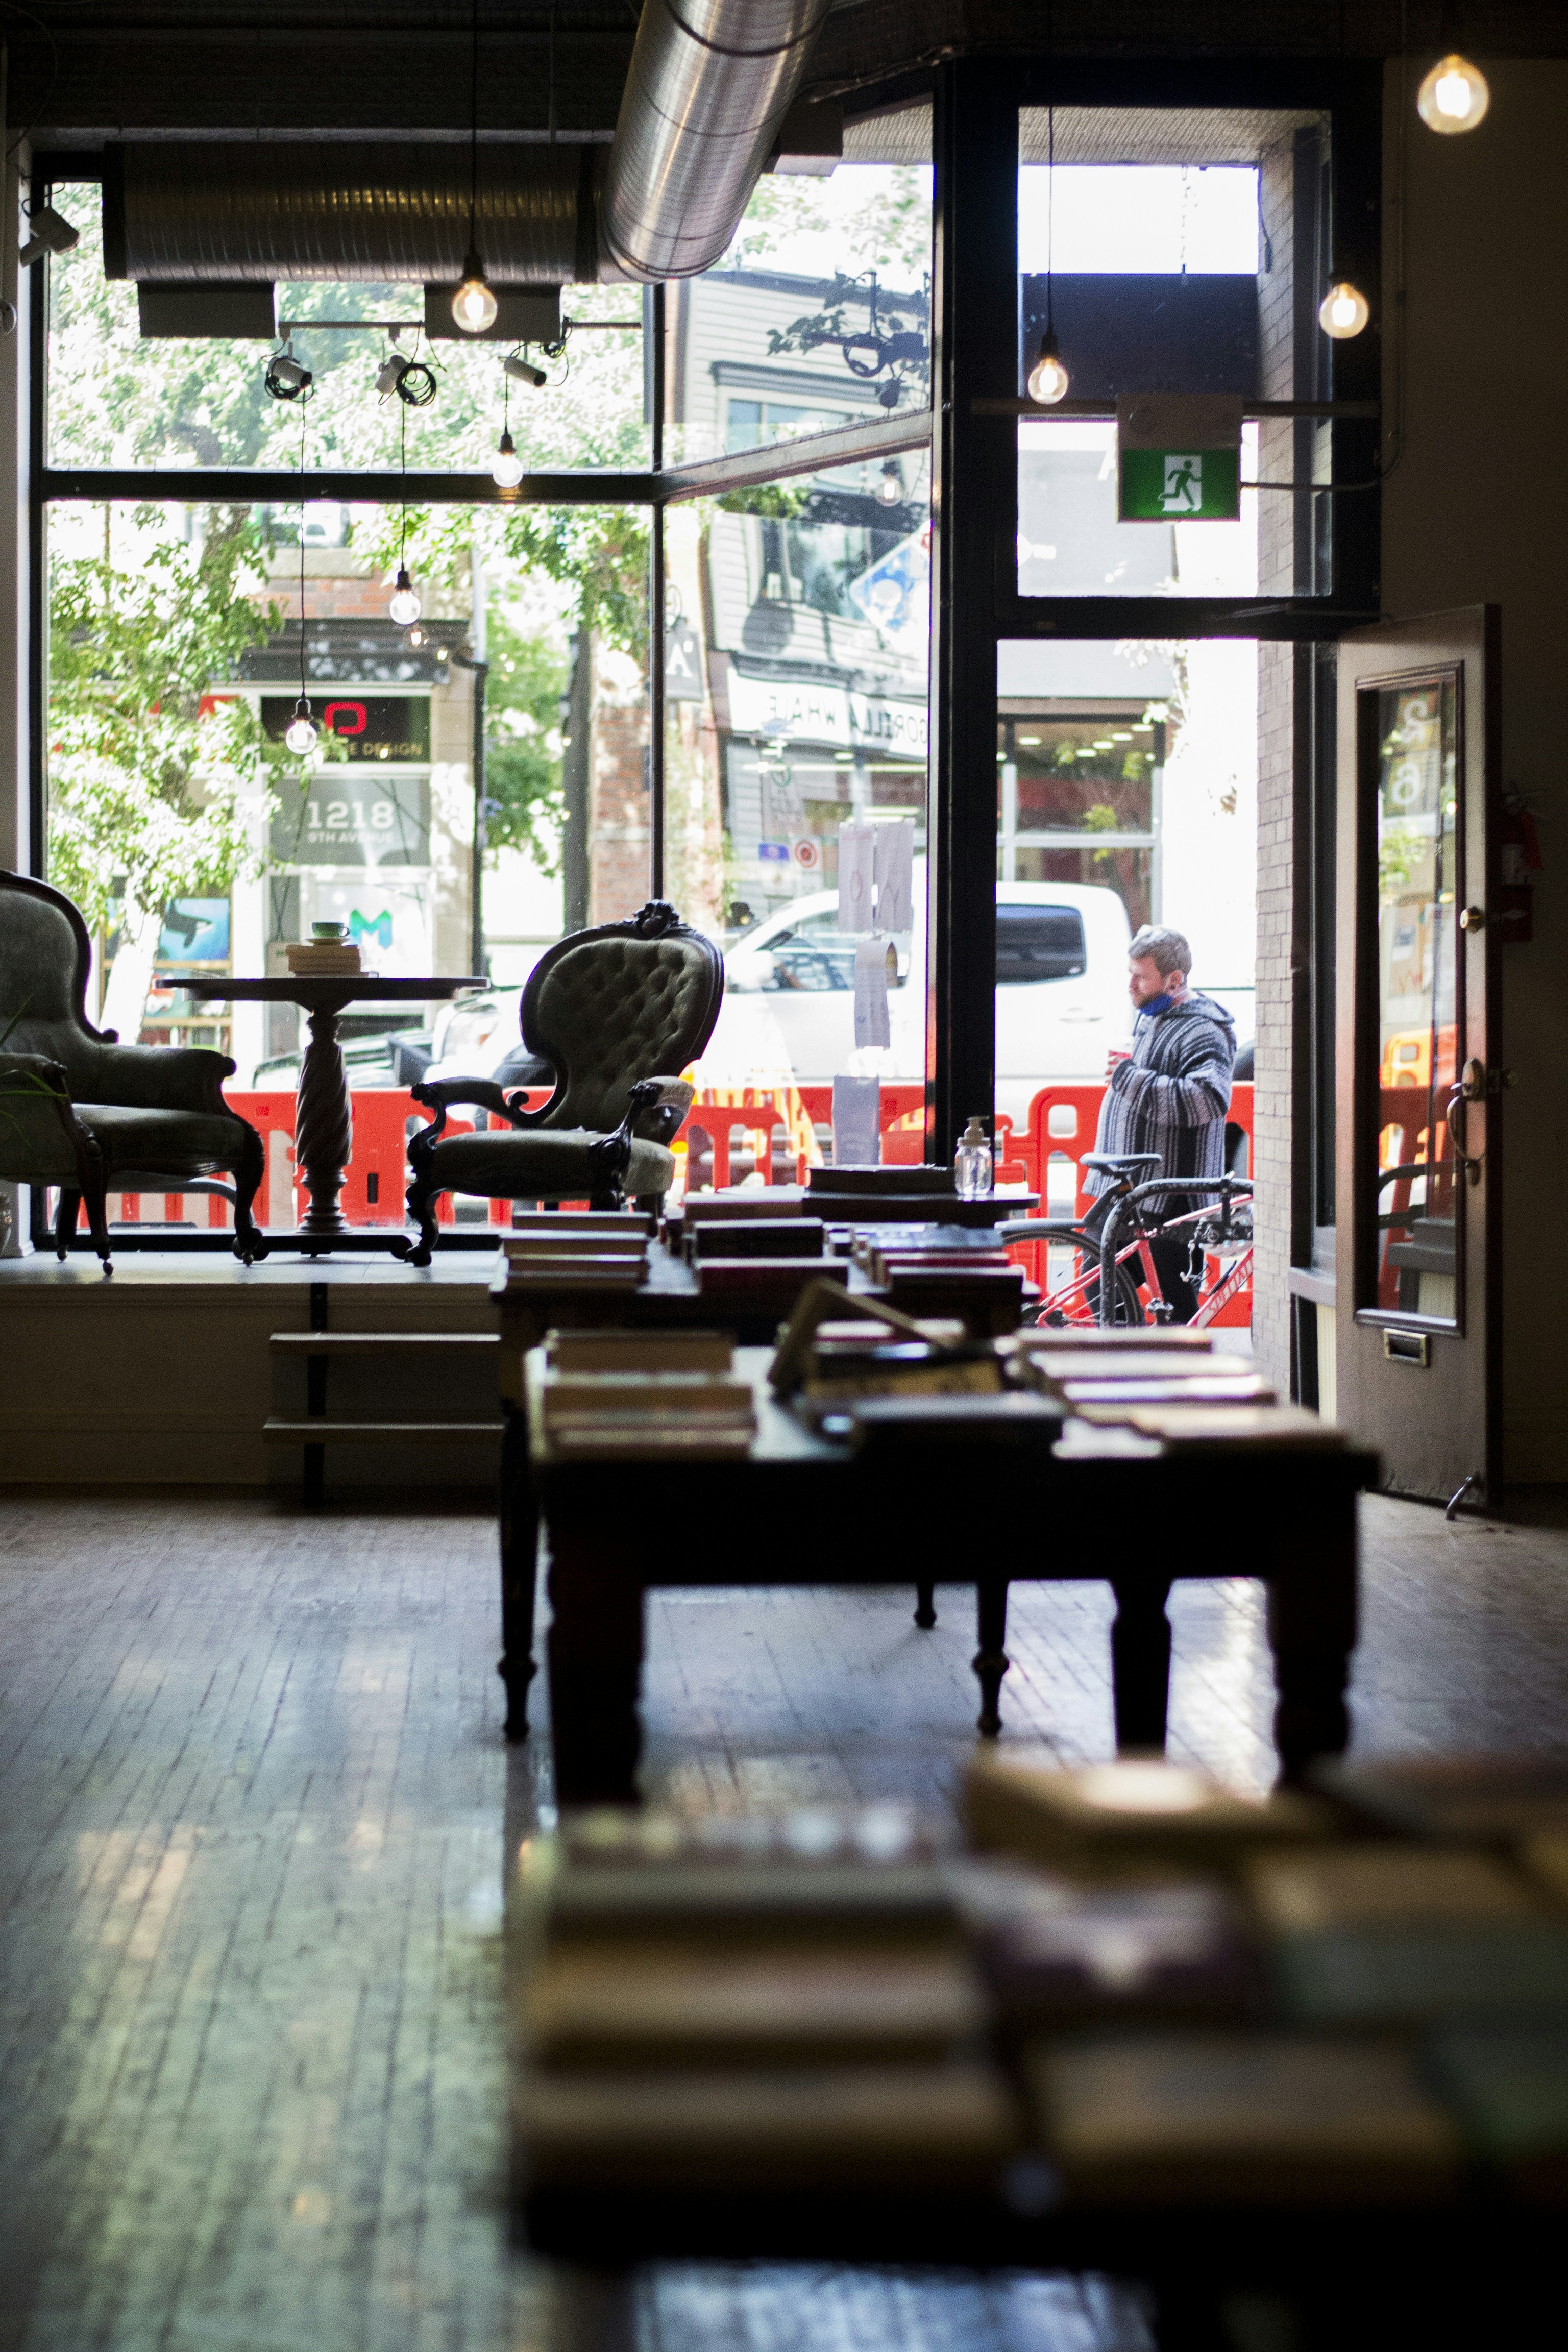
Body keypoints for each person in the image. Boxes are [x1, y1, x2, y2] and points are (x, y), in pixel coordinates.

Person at [1085, 924, 1236, 1322]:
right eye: (1129, 973)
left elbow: (1208, 1100)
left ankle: (1157, 1370)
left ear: (1174, 980)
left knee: (1168, 1297)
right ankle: (1134, 1365)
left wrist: (1131, 1078)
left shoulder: (1203, 1028)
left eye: (1141, 976)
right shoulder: (1154, 1016)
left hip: (1168, 1195)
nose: (1130, 985)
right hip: (1135, 1188)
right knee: (1103, 1282)